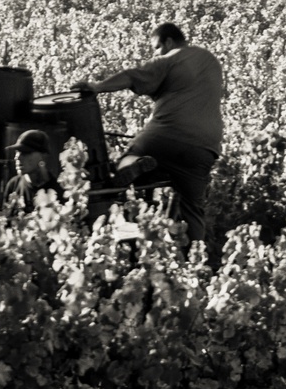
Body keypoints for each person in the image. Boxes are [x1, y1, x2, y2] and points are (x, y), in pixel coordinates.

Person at [77, 21, 224, 247]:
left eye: (156, 47)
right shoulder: (210, 60)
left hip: (166, 135)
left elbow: (133, 76)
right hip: (205, 147)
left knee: (128, 157)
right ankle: (195, 261)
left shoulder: (171, 57)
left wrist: (96, 87)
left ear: (168, 41)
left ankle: (133, 167)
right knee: (193, 208)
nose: (155, 52)